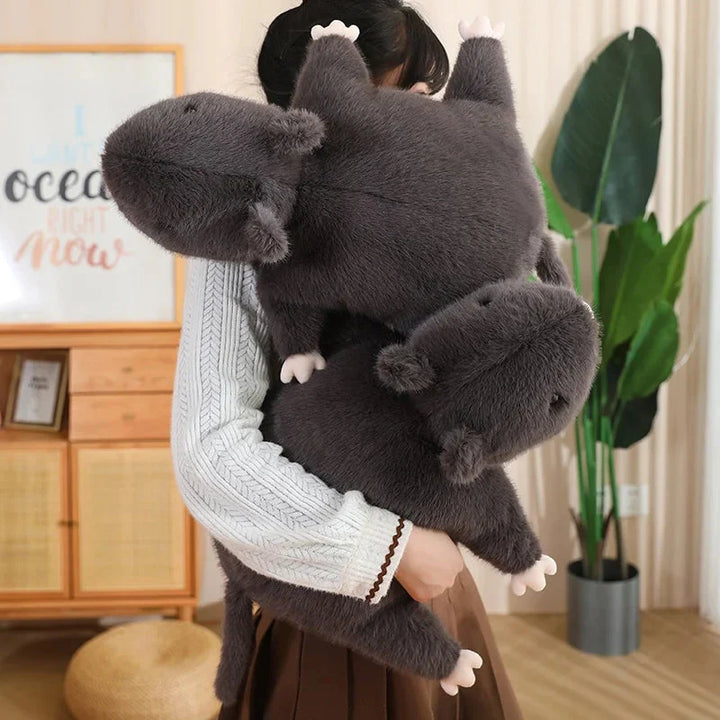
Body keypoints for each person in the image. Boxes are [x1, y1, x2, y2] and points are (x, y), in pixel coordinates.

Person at [172, 1, 524, 717]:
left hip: (436, 581)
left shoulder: (437, 222)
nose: (431, 121)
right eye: (407, 98)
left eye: (432, 98)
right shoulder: (251, 233)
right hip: (339, 603)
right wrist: (391, 549)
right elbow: (209, 451)